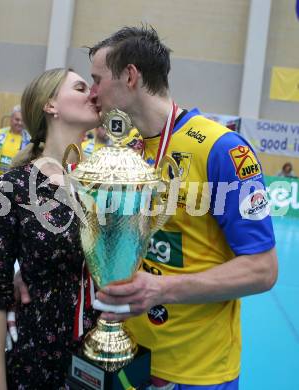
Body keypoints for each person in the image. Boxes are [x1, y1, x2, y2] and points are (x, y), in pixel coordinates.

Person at [86, 26, 278, 389]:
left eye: (97, 80)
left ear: (130, 76)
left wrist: (159, 290)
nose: (92, 92)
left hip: (197, 372)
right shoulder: (124, 149)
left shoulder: (221, 149)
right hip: (127, 358)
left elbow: (262, 269)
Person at [0, 68, 99, 389]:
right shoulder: (12, 186)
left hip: (100, 356)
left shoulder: (101, 182)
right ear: (50, 106)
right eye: (80, 87)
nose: (93, 94)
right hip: (39, 360)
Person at [0, 105, 30, 190]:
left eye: (22, 121)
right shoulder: (1, 134)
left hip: (14, 186)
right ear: (11, 119)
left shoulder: (28, 139)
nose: (20, 123)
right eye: (17, 119)